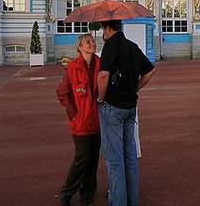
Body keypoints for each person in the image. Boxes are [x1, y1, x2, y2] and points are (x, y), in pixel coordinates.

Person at [96, 20, 156, 206]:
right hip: (130, 108)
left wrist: (100, 98)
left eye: (102, 29)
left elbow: (103, 75)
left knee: (114, 159)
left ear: (107, 28)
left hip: (113, 107)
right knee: (129, 156)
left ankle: (118, 201)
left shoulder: (110, 46)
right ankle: (132, 200)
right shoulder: (132, 46)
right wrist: (134, 89)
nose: (102, 33)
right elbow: (150, 71)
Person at [56, 34, 102, 206]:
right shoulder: (72, 68)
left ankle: (87, 193)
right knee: (81, 159)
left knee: (93, 160)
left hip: (97, 122)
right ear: (80, 47)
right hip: (80, 123)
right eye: (87, 42)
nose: (92, 44)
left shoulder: (100, 64)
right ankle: (66, 192)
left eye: (92, 41)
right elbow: (62, 92)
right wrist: (73, 112)